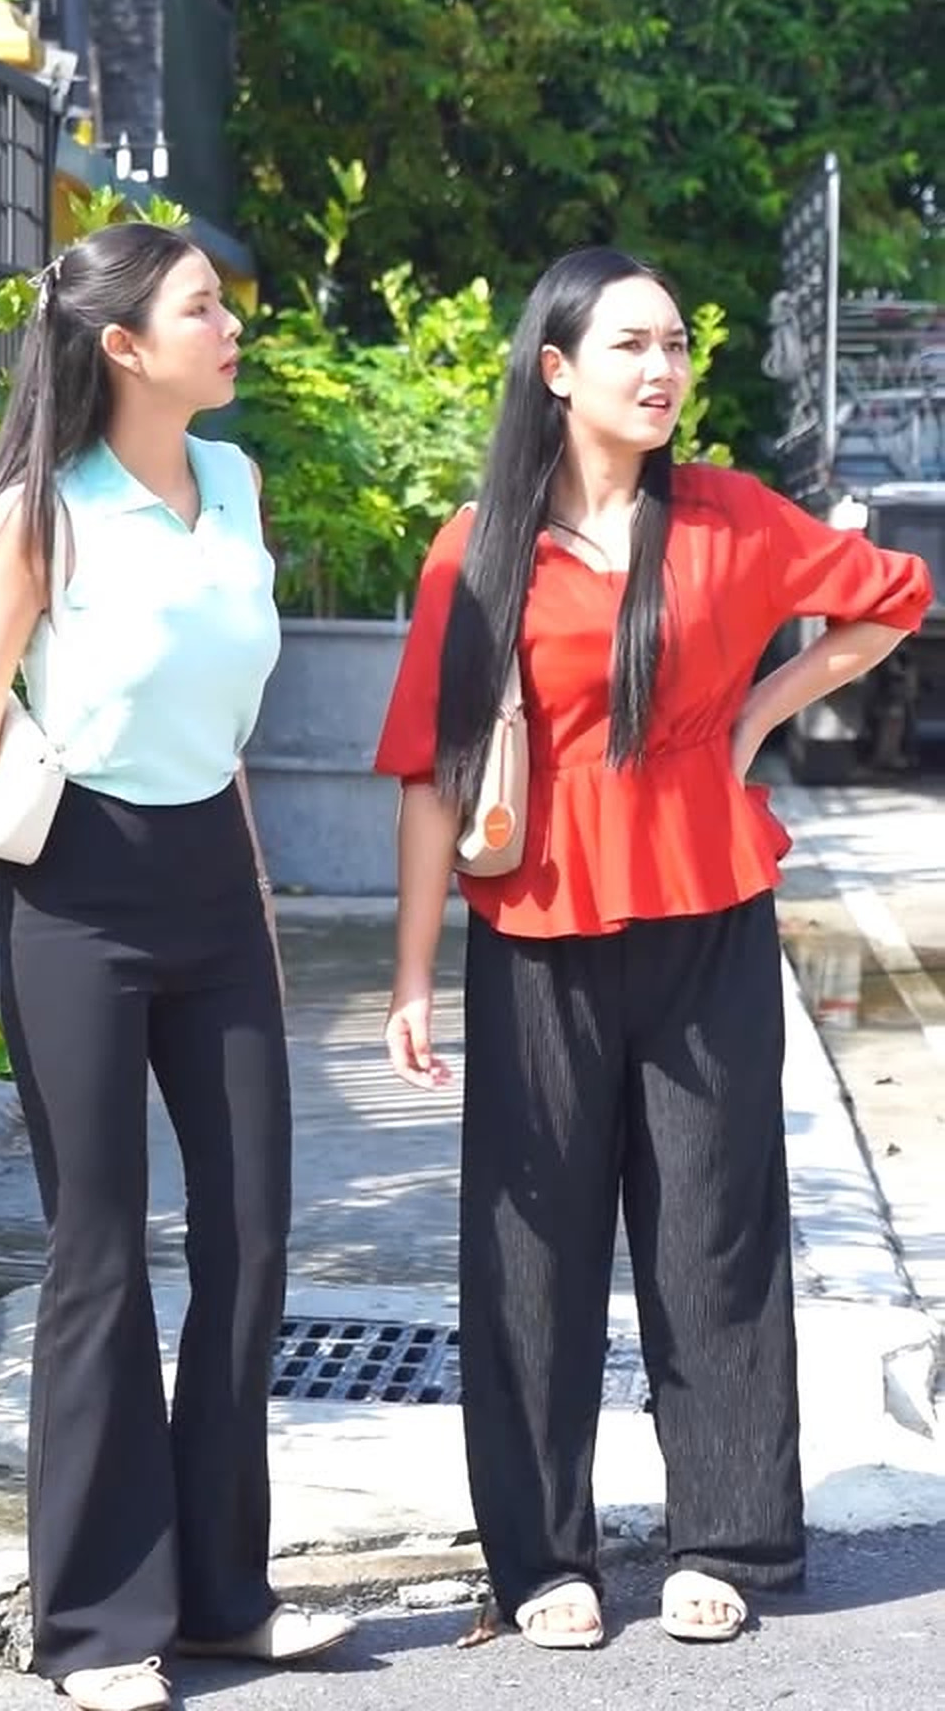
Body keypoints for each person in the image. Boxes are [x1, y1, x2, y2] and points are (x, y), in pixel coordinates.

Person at [375, 246, 932, 1652]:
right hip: (534, 926)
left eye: (676, 344)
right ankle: (540, 1559)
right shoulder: (479, 548)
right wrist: (410, 975)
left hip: (707, 906)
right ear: (557, 369)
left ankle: (725, 1538)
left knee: (715, 1229)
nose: (662, 368)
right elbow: (433, 771)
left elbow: (891, 598)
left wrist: (756, 714)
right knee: (532, 1249)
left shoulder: (733, 518)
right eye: (631, 345)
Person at [0, 223, 352, 1711]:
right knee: (98, 1257)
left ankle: (222, 1600)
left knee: (251, 1242)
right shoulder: (40, 516)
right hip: (75, 900)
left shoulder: (237, 482)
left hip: (216, 888)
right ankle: (96, 1629)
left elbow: (221, 725)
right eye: (202, 309)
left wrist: (259, 907)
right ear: (124, 347)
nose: (232, 327)